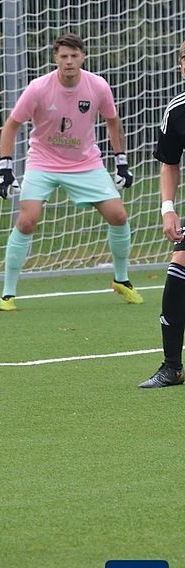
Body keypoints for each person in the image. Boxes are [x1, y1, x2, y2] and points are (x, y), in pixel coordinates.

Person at [0, 33, 141, 311]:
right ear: (56, 58)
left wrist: (121, 161)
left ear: (83, 57)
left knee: (118, 216)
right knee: (27, 221)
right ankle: (8, 293)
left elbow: (112, 121)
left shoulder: (97, 86)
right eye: (64, 56)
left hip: (86, 163)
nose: (69, 61)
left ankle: (122, 279)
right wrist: (6, 168)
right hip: (43, 162)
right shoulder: (38, 88)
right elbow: (11, 125)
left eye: (74, 56)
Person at [139, 40, 185, 388]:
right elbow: (169, 163)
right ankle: (172, 367)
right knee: (179, 265)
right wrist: (167, 208)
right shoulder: (178, 110)